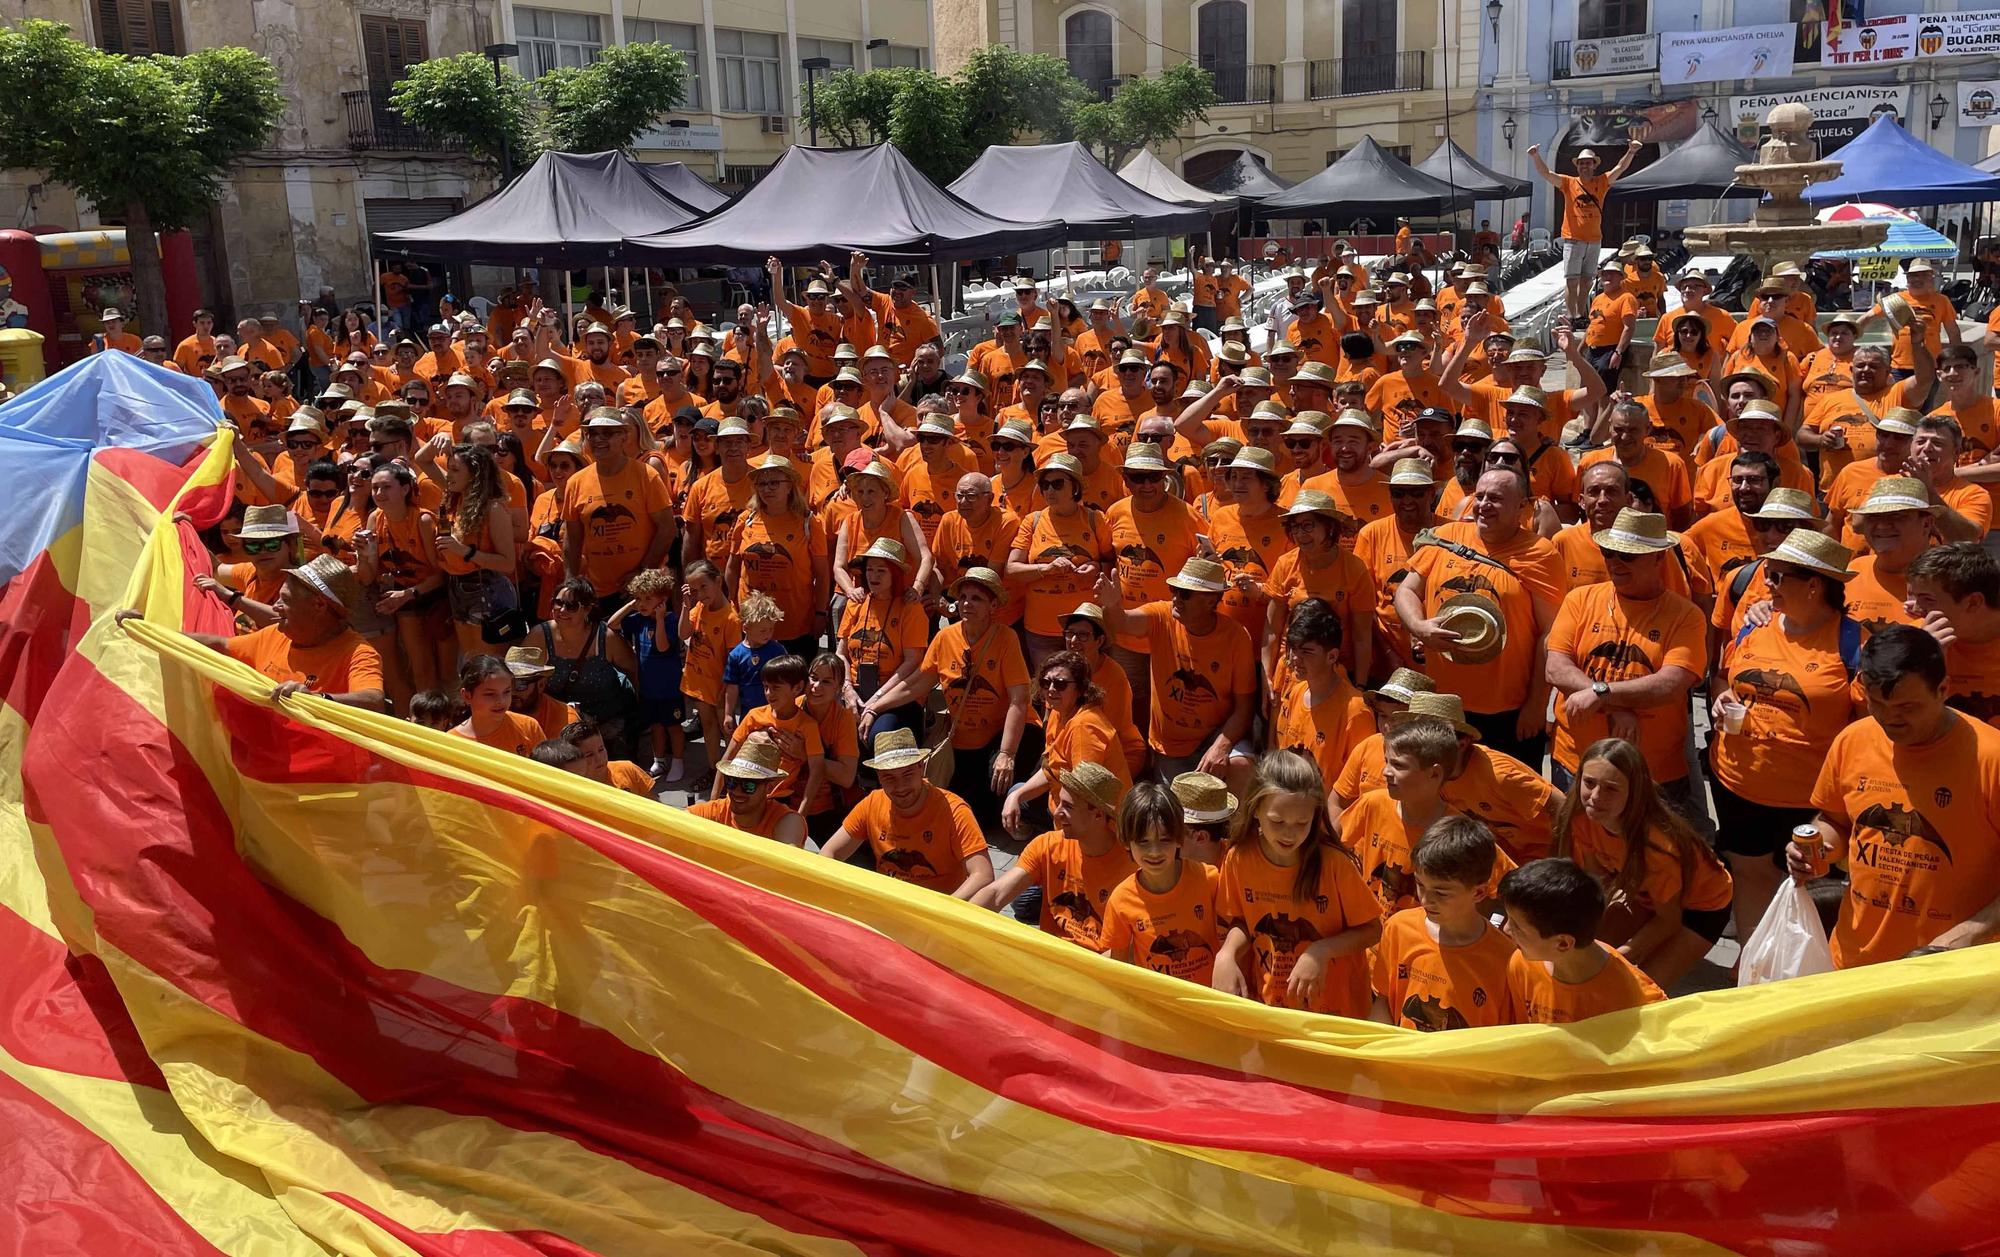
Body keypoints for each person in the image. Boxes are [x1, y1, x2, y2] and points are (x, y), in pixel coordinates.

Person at [1792, 625, 2000, 966]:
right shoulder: (1853, 740)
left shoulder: (1990, 759)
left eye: (1907, 707)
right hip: (1854, 959)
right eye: (1878, 703)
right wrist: (1821, 847)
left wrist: (1971, 932)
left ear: (1943, 689)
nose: (1890, 719)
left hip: (1951, 969)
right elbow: (1835, 820)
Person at [1708, 523, 1863, 942]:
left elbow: (1867, 727)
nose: (1766, 583)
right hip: (1737, 782)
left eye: (1776, 576)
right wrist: (1722, 699)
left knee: (1812, 888)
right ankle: (1753, 958)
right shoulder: (1754, 625)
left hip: (1810, 798)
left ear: (1814, 585)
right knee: (1749, 870)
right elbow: (1724, 678)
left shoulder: (1853, 643)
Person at [1395, 465, 1566, 763]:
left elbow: (1549, 634)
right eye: (1481, 496)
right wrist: (1418, 626)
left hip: (1507, 710)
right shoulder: (1445, 537)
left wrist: (1536, 705)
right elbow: (1406, 591)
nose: (1484, 505)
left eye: (1496, 498)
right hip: (1442, 703)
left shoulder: (1541, 554)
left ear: (1522, 507)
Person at [1544, 509, 1707, 818]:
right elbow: (1556, 667)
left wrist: (1601, 694)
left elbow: (1671, 684)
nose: (1615, 562)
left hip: (1651, 771)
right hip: (1576, 762)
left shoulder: (1686, 616)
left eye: (1628, 556)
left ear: (1659, 558)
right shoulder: (1580, 599)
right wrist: (1612, 703)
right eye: (1609, 553)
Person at [1214, 750, 1383, 1016]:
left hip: (1337, 1011)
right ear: (1256, 809)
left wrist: (1321, 951)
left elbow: (1372, 930)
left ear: (1315, 817)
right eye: (1277, 821)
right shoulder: (1238, 857)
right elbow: (1241, 922)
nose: (1289, 833)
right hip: (1272, 1004)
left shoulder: (1334, 864)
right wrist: (1227, 954)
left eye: (1301, 823)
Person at [1555, 737, 1733, 988]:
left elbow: (1668, 920)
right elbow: (1596, 879)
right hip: (1645, 893)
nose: (1595, 797)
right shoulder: (1582, 818)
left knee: (1636, 990)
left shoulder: (1657, 848)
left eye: (1611, 788)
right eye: (1589, 783)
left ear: (1634, 792)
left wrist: (1621, 956)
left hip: (1701, 908)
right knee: (1584, 953)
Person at [1094, 559, 1256, 793]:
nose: (1176, 598)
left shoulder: (1236, 637)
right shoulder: (1162, 616)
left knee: (1241, 766)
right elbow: (1121, 623)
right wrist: (1111, 605)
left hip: (1215, 734)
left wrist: (1221, 746)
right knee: (1178, 813)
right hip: (1172, 746)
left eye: (1185, 594)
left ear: (1211, 600)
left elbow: (1245, 707)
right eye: (1174, 590)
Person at [1370, 816, 1519, 1030]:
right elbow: (1382, 1001)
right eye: (1420, 885)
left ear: (1478, 892)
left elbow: (1505, 1036)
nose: (1425, 899)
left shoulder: (1506, 958)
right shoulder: (1398, 929)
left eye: (1441, 892)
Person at [818, 730, 994, 899]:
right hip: (889, 905)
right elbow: (829, 853)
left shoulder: (954, 810)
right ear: (878, 776)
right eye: (889, 777)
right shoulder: (871, 804)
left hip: (941, 908)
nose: (900, 787)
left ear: (921, 767)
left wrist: (940, 909)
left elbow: (983, 875)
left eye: (907, 774)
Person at [977, 762, 1136, 947]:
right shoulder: (1048, 845)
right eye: (1059, 802)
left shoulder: (1132, 867)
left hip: (1097, 968)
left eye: (1068, 807)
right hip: (1050, 958)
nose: (1057, 813)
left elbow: (1127, 951)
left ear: (1098, 815)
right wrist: (954, 920)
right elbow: (996, 893)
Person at [1500, 858, 1666, 1023]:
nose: (1506, 929)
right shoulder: (1521, 965)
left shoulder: (1630, 1001)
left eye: (1518, 927)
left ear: (1563, 944)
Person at [1099, 782, 1222, 984]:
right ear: (1126, 841)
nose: (1154, 852)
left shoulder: (1209, 880)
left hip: (1209, 1004)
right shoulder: (1121, 900)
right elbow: (1118, 968)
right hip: (1157, 1008)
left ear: (1179, 839)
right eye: (1143, 842)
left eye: (1164, 840)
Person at [1004, 649, 1131, 835]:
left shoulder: (1084, 728)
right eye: (1046, 682)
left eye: (1061, 684)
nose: (1051, 689)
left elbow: (1086, 796)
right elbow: (1049, 769)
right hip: (1063, 805)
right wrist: (1017, 796)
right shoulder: (1057, 712)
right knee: (1014, 792)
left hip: (1099, 824)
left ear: (1080, 688)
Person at [1528, 140, 1641, 324]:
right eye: (1581, 163)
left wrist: (1631, 151)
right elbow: (1546, 174)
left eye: (1588, 163)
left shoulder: (1601, 182)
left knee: (1587, 281)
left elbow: (1620, 168)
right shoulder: (1568, 183)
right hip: (1573, 239)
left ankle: (1580, 315)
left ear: (1594, 165)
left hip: (1594, 240)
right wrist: (1535, 155)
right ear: (1577, 166)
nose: (1584, 166)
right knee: (1572, 281)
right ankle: (1571, 315)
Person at [1270, 598, 1374, 789]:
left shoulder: (1356, 711)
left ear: (1332, 656)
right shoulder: (1296, 692)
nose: (1295, 659)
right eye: (1293, 649)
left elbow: (1360, 780)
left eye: (1307, 652)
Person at [712, 654, 823, 815]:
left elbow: (816, 772)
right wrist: (714, 801)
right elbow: (727, 759)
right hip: (742, 793)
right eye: (765, 687)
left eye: (776, 687)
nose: (769, 693)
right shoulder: (753, 716)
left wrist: (801, 814)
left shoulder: (808, 726)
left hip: (779, 800)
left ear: (797, 688)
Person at [1908, 542, 2000, 727]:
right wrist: (1919, 661)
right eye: (1914, 597)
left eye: (1927, 599)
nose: (1916, 609)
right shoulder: (1912, 639)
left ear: (1973, 602)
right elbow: (1873, 706)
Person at [611, 568, 686, 784]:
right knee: (655, 725)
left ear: (662, 600)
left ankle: (678, 761)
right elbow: (612, 625)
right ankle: (659, 759)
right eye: (638, 598)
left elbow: (662, 647)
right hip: (648, 687)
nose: (642, 603)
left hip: (669, 687)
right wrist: (631, 605)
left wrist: (660, 619)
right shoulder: (638, 619)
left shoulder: (671, 621)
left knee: (673, 726)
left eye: (647, 598)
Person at [677, 560, 739, 785]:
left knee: (727, 731)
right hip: (700, 682)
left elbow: (733, 659)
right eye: (694, 590)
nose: (700, 594)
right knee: (708, 727)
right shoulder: (699, 608)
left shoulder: (730, 618)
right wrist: (686, 605)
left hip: (720, 686)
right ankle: (714, 771)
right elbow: (683, 632)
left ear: (718, 581)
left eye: (704, 587)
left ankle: (732, 775)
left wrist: (726, 690)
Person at [688, 734, 808, 847]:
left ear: (769, 788)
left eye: (749, 785)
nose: (737, 791)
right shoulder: (714, 811)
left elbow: (788, 853)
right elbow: (676, 823)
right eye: (731, 781)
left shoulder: (786, 820)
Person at [721, 591, 788, 741]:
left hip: (776, 711)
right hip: (749, 713)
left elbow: (788, 680)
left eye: (771, 629)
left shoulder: (777, 650)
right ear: (746, 628)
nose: (768, 634)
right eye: (763, 630)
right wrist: (728, 713)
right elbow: (732, 687)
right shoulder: (736, 655)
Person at [448, 654, 545, 754]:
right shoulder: (452, 742)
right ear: (467, 696)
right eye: (490, 694)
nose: (501, 701)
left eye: (507, 692)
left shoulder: (528, 727)